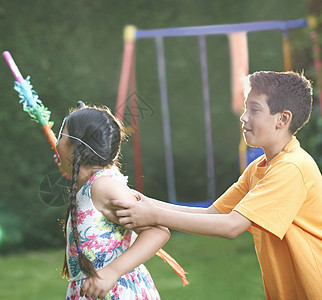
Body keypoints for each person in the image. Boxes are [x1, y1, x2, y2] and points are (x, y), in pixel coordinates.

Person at [113, 71, 322, 300]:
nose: (243, 117)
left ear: (282, 119)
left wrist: (153, 215)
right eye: (245, 108)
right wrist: (144, 202)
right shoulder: (260, 168)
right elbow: (213, 213)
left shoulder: (291, 168)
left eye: (254, 109)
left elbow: (231, 226)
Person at [57, 105, 171, 299]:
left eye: (61, 135)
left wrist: (113, 271)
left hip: (116, 291)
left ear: (75, 147)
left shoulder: (103, 186)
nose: (56, 142)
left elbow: (157, 231)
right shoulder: (91, 186)